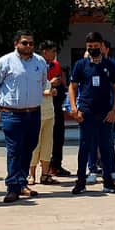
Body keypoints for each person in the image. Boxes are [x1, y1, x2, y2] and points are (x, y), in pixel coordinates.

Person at [0, 31, 48, 203]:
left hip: (33, 113)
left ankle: (22, 183)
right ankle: (12, 187)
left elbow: (43, 83)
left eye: (31, 43)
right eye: (24, 43)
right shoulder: (4, 62)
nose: (28, 46)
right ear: (16, 44)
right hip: (12, 114)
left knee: (29, 147)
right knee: (14, 150)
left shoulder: (40, 62)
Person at [69, 32, 115, 195]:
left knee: (106, 148)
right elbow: (73, 86)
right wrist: (74, 108)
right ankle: (80, 182)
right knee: (85, 148)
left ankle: (108, 182)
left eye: (96, 46)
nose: (93, 49)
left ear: (102, 46)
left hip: (106, 113)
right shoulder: (80, 65)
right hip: (86, 113)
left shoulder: (111, 65)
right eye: (90, 47)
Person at [32, 41, 65, 186]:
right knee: (35, 144)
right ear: (44, 52)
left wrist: (54, 88)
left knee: (48, 143)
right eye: (52, 51)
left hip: (51, 109)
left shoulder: (55, 65)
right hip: (37, 109)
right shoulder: (34, 66)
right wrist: (49, 87)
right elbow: (32, 87)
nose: (54, 54)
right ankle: (31, 174)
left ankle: (46, 173)